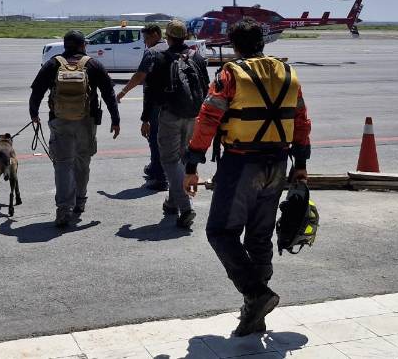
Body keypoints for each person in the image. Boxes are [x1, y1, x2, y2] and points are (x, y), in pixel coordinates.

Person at [183, 19, 311, 336]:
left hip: (241, 164)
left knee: (220, 233)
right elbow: (301, 120)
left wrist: (193, 162)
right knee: (259, 237)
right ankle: (256, 314)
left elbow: (208, 117)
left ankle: (256, 295)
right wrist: (301, 162)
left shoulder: (230, 73)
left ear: (235, 44)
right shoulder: (288, 73)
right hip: (277, 165)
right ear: (264, 43)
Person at [29, 29, 121, 228]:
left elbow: (37, 91)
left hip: (60, 120)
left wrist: (34, 114)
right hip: (85, 122)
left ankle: (63, 208)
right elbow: (108, 93)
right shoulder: (93, 64)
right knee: (82, 162)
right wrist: (115, 119)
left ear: (65, 45)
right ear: (83, 45)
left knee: (62, 164)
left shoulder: (53, 64)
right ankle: (80, 201)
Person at [130, 19, 209, 228]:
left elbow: (152, 93)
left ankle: (186, 207)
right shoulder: (198, 58)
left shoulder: (161, 57)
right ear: (186, 37)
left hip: (170, 116)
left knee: (169, 160)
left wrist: (146, 118)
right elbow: (207, 89)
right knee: (183, 157)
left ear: (168, 37)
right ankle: (173, 202)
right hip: (193, 116)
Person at [116, 24, 169, 191]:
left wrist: (123, 91)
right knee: (169, 138)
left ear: (155, 35)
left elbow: (140, 75)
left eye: (146, 38)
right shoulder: (170, 48)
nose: (145, 43)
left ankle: (160, 178)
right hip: (172, 102)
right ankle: (157, 167)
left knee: (154, 138)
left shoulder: (152, 52)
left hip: (156, 102)